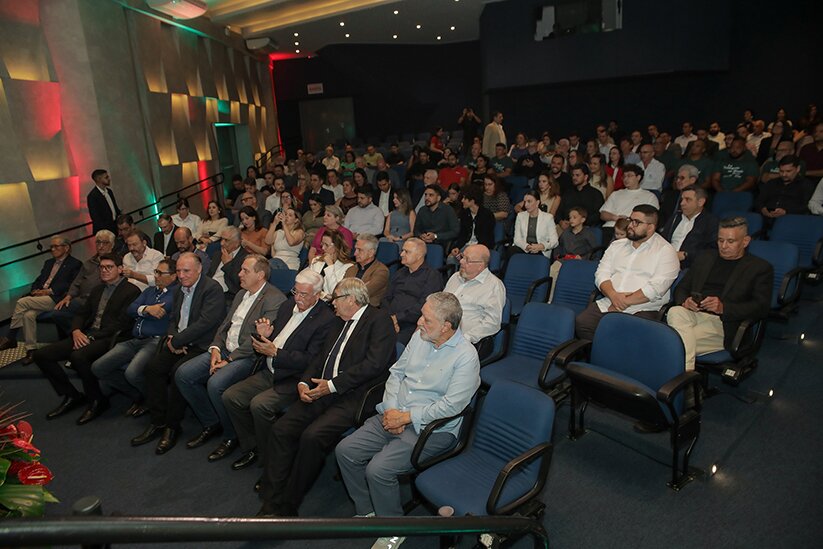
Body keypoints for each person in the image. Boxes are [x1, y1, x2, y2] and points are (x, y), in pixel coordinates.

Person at [335, 292, 480, 545]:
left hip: (432, 429)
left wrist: (406, 417)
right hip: (394, 413)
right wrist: (392, 410)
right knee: (345, 450)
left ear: (446, 326)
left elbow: (452, 406)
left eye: (427, 319)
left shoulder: (466, 357)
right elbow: (396, 373)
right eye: (422, 316)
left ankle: (394, 528)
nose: (419, 322)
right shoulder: (419, 337)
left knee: (378, 470)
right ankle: (367, 511)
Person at [257, 278, 397, 517]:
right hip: (322, 389)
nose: (332, 303)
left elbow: (373, 365)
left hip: (353, 396)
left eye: (335, 298)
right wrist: (304, 382)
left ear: (351, 299)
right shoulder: (338, 321)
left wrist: (332, 386)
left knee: (312, 437)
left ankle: (288, 504)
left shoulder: (378, 320)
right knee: (281, 429)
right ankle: (272, 497)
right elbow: (320, 357)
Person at [223, 268, 336, 471]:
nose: (298, 298)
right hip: (270, 370)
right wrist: (265, 335)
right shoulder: (288, 305)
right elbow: (275, 337)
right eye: (296, 291)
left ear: (318, 295)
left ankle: (273, 459)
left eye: (304, 294)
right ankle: (253, 447)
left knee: (260, 405)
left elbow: (313, 360)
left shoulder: (326, 320)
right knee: (231, 396)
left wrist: (276, 352)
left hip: (294, 378)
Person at [175, 255, 286, 462]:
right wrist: (216, 348)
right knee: (184, 374)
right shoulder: (241, 294)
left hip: (248, 356)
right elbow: (225, 324)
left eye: (245, 271)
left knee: (216, 383)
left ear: (260, 275)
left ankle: (231, 435)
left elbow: (259, 340)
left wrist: (229, 360)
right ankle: (212, 422)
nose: (239, 274)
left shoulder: (274, 299)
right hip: (225, 349)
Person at [131, 253, 225, 454]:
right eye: (179, 271)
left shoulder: (212, 288)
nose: (181, 275)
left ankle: (172, 427)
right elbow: (173, 318)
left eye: (186, 271)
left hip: (201, 344)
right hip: (179, 342)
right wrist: (173, 337)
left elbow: (206, 323)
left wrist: (177, 340)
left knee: (177, 373)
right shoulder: (178, 289)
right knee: (152, 369)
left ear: (199, 270)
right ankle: (158, 421)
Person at [33, 253, 141, 425]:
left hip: (111, 337)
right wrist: (76, 330)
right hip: (86, 334)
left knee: (78, 356)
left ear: (120, 269)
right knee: (41, 355)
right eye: (102, 267)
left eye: (109, 267)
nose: (104, 271)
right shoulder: (98, 290)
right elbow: (82, 314)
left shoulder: (131, 291)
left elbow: (122, 324)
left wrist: (90, 336)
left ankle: (97, 400)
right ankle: (72, 395)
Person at [666, 216, 773, 371]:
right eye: (720, 240)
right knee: (675, 311)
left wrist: (723, 308)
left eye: (730, 241)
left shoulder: (759, 268)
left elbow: (761, 307)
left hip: (725, 324)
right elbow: (682, 287)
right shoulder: (705, 257)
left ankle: (686, 378)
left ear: (745, 241)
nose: (723, 246)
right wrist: (685, 301)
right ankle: (687, 378)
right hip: (693, 314)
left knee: (671, 344)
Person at [575, 205, 680, 340]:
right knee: (583, 322)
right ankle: (601, 352)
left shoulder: (666, 251)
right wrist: (614, 296)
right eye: (630, 220)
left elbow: (655, 288)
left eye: (637, 222)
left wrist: (622, 302)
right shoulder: (616, 245)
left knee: (624, 332)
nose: (630, 225)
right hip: (610, 300)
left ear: (650, 227)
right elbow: (601, 274)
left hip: (643, 307)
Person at [90, 258, 179, 417]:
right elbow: (130, 309)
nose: (156, 276)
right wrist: (146, 309)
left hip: (155, 340)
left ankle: (153, 401)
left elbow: (160, 311)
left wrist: (142, 310)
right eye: (156, 272)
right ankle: (141, 396)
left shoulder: (176, 294)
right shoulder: (149, 291)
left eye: (160, 273)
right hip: (135, 339)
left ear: (173, 276)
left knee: (132, 373)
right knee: (98, 367)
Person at [0, 236, 83, 364]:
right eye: (51, 247)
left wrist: (49, 291)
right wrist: (35, 291)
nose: (53, 249)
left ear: (66, 248)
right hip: (40, 298)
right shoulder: (48, 263)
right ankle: (31, 350)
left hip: (56, 298)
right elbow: (39, 280)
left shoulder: (75, 264)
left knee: (22, 302)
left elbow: (71, 285)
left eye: (56, 246)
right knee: (28, 315)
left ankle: (11, 336)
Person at [49, 231, 115, 335]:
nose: (101, 246)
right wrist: (68, 296)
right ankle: (76, 336)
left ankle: (80, 335)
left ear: (112, 245)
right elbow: (76, 282)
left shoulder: (116, 263)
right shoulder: (88, 263)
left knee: (85, 317)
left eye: (105, 243)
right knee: (57, 313)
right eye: (98, 242)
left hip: (101, 300)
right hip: (82, 299)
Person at [381, 238, 444, 345]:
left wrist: (397, 318)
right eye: (402, 250)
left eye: (407, 251)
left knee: (392, 344)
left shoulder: (432, 276)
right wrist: (390, 318)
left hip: (413, 324)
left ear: (419, 256)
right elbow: (386, 297)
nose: (401, 254)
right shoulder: (400, 273)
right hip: (388, 319)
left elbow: (424, 306)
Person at [444, 245, 505, 348]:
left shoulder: (493, 286)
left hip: (466, 342)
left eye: (467, 260)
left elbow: (492, 323)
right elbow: (441, 304)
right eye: (462, 257)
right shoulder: (455, 277)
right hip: (441, 333)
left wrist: (464, 339)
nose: (461, 261)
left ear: (480, 265)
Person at [660, 185, 719, 268]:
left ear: (700, 202)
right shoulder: (675, 217)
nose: (682, 203)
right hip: (665, 261)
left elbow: (711, 250)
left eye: (688, 199)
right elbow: (663, 239)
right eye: (682, 199)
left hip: (689, 266)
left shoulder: (711, 222)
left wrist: (686, 255)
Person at [598, 164, 659, 240]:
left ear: (638, 177)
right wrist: (616, 218)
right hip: (611, 227)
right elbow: (603, 214)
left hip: (632, 229)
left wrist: (630, 220)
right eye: (624, 176)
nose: (626, 179)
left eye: (629, 176)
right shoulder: (616, 194)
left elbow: (652, 218)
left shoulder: (649, 196)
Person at [757, 155, 814, 221]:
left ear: (798, 169)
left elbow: (806, 206)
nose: (784, 174)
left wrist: (786, 211)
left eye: (788, 171)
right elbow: (759, 200)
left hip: (791, 219)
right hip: (766, 218)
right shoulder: (772, 183)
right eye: (781, 171)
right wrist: (762, 209)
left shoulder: (805, 185)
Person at [448, 186, 495, 263]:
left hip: (480, 248)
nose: (462, 201)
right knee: (451, 259)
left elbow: (487, 239)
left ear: (472, 200)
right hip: (466, 247)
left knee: (467, 260)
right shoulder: (464, 214)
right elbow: (462, 235)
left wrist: (469, 251)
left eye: (465, 198)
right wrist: (457, 247)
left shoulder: (487, 215)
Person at [206, 226, 250, 304]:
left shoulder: (246, 259)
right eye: (221, 239)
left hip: (227, 297)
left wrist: (227, 265)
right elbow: (209, 275)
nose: (221, 243)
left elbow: (239, 285)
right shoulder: (217, 254)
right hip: (209, 291)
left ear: (237, 243)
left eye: (226, 240)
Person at [310, 230, 357, 299]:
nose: (323, 248)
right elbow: (308, 286)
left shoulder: (348, 267)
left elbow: (335, 293)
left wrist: (330, 265)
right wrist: (325, 295)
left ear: (336, 247)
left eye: (326, 245)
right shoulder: (317, 261)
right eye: (322, 244)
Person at [512, 190, 559, 258]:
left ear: (537, 203)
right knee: (511, 250)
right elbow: (517, 239)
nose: (526, 205)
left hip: (540, 250)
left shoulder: (548, 218)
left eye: (529, 201)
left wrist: (542, 246)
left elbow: (555, 241)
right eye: (525, 202)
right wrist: (527, 246)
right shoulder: (520, 216)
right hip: (524, 249)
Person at [557, 163, 605, 229]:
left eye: (577, 175)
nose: (574, 178)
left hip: (587, 228)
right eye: (573, 175)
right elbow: (559, 212)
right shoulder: (568, 192)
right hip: (566, 227)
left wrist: (579, 222)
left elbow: (598, 215)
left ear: (586, 177)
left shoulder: (595, 194)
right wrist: (560, 222)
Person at [414, 185, 460, 249]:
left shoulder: (448, 210)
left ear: (438, 198)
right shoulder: (422, 210)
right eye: (426, 195)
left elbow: (455, 231)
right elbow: (416, 230)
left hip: (441, 243)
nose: (427, 198)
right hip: (423, 243)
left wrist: (435, 236)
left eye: (431, 195)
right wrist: (421, 235)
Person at [353, 235, 389, 307]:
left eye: (359, 250)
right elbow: (340, 290)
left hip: (368, 308)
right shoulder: (351, 268)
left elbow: (363, 294)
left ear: (371, 253)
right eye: (355, 249)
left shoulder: (381, 271)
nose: (355, 253)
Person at [265, 206, 305, 270]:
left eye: (290, 215)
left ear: (296, 220)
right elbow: (267, 241)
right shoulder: (279, 232)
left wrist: (284, 225)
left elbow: (291, 242)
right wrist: (274, 223)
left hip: (289, 264)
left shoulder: (299, 232)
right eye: (285, 214)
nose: (286, 217)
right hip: (275, 262)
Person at [87, 169, 120, 234]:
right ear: (99, 179)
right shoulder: (92, 196)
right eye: (106, 177)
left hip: (115, 227)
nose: (109, 179)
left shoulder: (109, 191)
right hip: (104, 231)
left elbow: (115, 208)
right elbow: (96, 217)